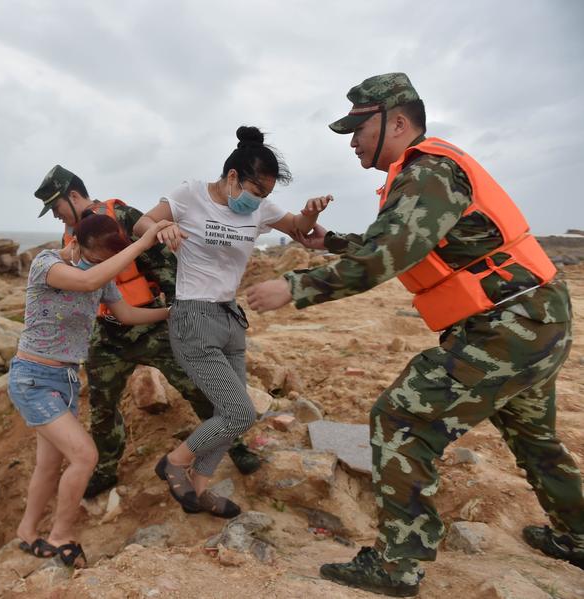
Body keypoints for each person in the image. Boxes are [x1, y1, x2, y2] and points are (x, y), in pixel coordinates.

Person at [246, 73, 583, 596]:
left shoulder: (428, 171)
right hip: (533, 320)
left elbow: (387, 255)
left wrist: (294, 287)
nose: (352, 143)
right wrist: (329, 241)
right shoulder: (426, 173)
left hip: (508, 327)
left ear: (398, 122)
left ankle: (397, 565)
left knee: (402, 419)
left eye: (358, 131)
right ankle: (578, 536)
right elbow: (405, 240)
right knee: (534, 438)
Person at [134, 126, 331, 519]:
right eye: (256, 191)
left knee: (227, 415)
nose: (258, 201)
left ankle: (199, 490)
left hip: (230, 317)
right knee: (240, 413)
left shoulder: (260, 208)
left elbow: (299, 228)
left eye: (266, 194)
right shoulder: (190, 194)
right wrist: (162, 227)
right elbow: (141, 224)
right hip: (193, 317)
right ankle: (174, 462)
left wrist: (310, 214)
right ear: (232, 177)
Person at [34, 165, 263, 499]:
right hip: (108, 335)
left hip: (154, 328)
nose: (55, 215)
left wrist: (180, 313)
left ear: (73, 195)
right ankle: (106, 469)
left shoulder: (122, 216)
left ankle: (234, 445)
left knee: (197, 388)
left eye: (55, 207)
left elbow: (165, 262)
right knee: (102, 406)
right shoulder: (70, 237)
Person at [9, 213, 173, 568]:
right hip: (33, 378)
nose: (100, 267)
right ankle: (61, 535)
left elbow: (125, 314)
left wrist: (169, 314)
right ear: (74, 243)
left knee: (49, 466)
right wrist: (142, 243)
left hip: (65, 381)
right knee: (85, 456)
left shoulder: (100, 275)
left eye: (104, 262)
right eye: (96, 259)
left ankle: (26, 531)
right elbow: (86, 281)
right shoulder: (46, 264)